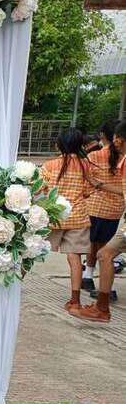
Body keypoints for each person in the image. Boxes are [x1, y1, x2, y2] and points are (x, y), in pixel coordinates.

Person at [39, 129, 93, 315]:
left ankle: (13, 288)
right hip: (77, 218)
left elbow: (40, 189)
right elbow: (88, 191)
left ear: (59, 145)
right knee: (74, 257)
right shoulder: (85, 165)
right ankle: (75, 301)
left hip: (54, 216)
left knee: (32, 251)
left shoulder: (50, 165)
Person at [78, 120, 126, 323]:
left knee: (101, 251)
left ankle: (102, 306)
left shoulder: (99, 157)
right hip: (115, 212)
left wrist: (95, 185)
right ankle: (102, 305)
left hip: (97, 209)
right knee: (104, 252)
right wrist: (100, 185)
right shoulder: (121, 160)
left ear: (118, 139)